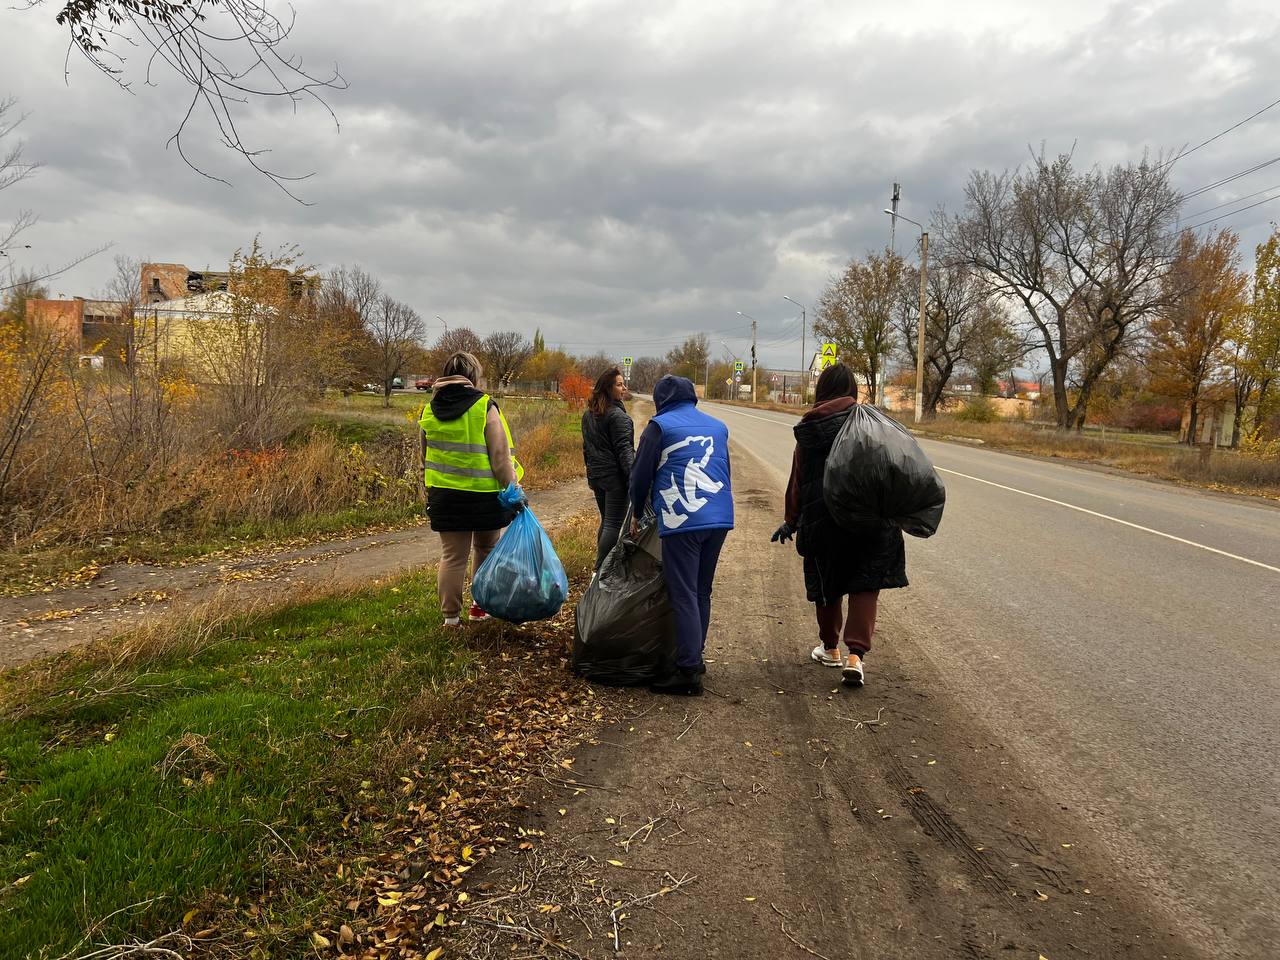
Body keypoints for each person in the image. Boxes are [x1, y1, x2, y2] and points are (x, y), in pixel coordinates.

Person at [771, 363, 907, 687]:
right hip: (871, 520)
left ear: (822, 390)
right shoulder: (871, 422)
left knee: (827, 583)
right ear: (852, 392)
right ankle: (856, 657)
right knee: (864, 582)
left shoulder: (810, 428)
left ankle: (830, 649)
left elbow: (797, 483)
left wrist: (791, 521)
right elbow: (893, 467)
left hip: (823, 522)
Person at [629, 375, 734, 695]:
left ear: (661, 400)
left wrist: (636, 512)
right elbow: (724, 469)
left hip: (683, 519)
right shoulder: (718, 426)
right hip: (719, 517)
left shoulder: (659, 427)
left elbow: (640, 475)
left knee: (684, 592)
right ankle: (694, 655)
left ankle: (688, 672)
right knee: (702, 589)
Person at [418, 351, 524, 628]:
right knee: (486, 549)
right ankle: (480, 608)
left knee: (453, 557)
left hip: (444, 494)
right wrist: (513, 490)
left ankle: (451, 619)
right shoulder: (484, 406)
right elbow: (500, 458)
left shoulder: (429, 409)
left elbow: (424, 456)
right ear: (472, 376)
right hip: (483, 496)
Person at [581, 367, 635, 571]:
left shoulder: (589, 415)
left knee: (607, 521)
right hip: (614, 480)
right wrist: (633, 480)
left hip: (597, 477)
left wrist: (591, 473)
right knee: (613, 524)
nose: (624, 388)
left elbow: (586, 448)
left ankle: (602, 569)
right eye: (620, 384)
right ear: (608, 388)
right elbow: (625, 452)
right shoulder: (618, 417)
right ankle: (601, 571)